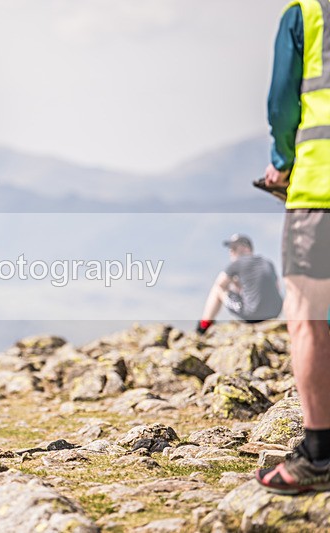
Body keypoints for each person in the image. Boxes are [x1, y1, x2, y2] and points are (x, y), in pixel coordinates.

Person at [255, 0, 330, 494]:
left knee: (308, 316)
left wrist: (282, 162)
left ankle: (318, 456)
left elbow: (283, 103)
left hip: (321, 188)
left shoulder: (308, 12)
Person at [196, 234, 283, 334]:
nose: (230, 252)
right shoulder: (267, 262)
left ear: (245, 248)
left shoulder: (237, 263)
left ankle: (203, 326)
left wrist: (234, 283)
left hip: (252, 315)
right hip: (274, 313)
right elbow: (277, 287)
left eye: (234, 248)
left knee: (218, 289)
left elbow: (220, 283)